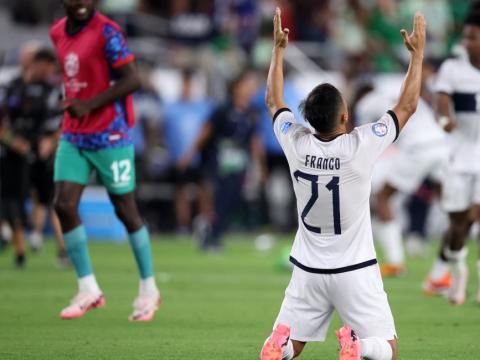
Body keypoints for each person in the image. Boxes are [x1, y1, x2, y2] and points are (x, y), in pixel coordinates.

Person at [260, 8, 425, 360]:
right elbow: (407, 105)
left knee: (294, 342)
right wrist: (418, 55)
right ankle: (358, 346)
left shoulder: (296, 141)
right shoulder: (360, 145)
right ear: (345, 115)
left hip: (306, 268)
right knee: (388, 350)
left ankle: (279, 347)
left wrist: (278, 50)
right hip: (355, 269)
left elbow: (274, 101)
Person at [50, 0, 160, 320]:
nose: (81, 2)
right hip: (74, 134)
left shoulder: (108, 32)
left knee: (126, 211)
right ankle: (88, 288)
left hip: (110, 136)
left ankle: (149, 289)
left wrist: (89, 103)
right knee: (64, 205)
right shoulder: (57, 32)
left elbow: (133, 79)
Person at [354, 64, 448, 277]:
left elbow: (361, 141)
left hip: (417, 149)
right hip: (441, 145)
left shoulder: (366, 103)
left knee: (383, 198)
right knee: (452, 206)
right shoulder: (393, 93)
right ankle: (449, 264)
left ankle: (396, 262)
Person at [424, 10, 480, 305]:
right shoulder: (452, 69)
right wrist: (446, 121)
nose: (466, 42)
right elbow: (441, 103)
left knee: (477, 216)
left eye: (472, 36)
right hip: (459, 155)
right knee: (459, 224)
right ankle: (458, 273)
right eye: (466, 36)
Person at [178, 70, 266, 251]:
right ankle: (210, 235)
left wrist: (261, 166)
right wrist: (189, 155)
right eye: (246, 85)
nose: (250, 89)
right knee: (218, 199)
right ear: (236, 88)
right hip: (219, 162)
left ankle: (215, 233)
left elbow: (255, 141)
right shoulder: (223, 109)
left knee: (233, 199)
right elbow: (205, 133)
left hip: (240, 163)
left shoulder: (252, 113)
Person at [0, 48, 66, 267]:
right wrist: (13, 142)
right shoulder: (11, 87)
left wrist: (51, 141)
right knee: (13, 202)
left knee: (54, 200)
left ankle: (63, 251)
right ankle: (19, 253)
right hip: (15, 153)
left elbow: (63, 122)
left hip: (43, 152)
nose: (50, 71)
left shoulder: (53, 90)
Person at [163, 68, 213, 234]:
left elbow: (207, 132)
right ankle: (183, 225)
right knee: (181, 192)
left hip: (199, 158)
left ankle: (204, 224)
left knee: (204, 191)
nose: (187, 89)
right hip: (179, 158)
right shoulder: (171, 109)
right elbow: (166, 134)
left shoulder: (203, 107)